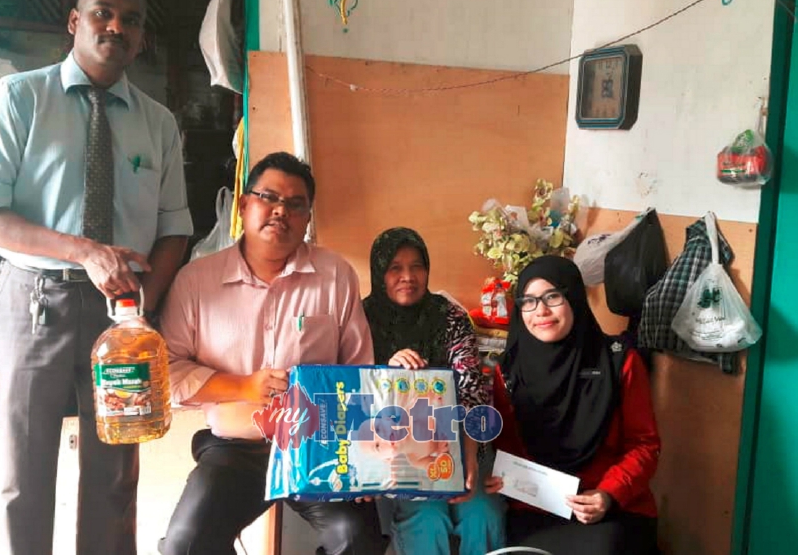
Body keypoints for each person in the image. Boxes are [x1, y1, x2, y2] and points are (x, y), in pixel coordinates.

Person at [0, 0, 192, 555]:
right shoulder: (19, 98)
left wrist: (144, 310)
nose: (116, 27)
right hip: (36, 300)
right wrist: (83, 250)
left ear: (140, 38)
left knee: (116, 470)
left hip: (124, 317)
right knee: (27, 468)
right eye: (102, 14)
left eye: (130, 20)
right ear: (74, 22)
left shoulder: (158, 123)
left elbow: (174, 227)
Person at [157, 152, 385, 555]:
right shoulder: (196, 282)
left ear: (307, 218)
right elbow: (169, 373)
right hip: (235, 448)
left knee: (355, 537)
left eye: (296, 204)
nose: (281, 211)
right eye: (269, 197)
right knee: (185, 544)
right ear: (244, 205)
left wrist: (364, 462)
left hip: (317, 446)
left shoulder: (335, 276)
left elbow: (359, 372)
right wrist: (244, 386)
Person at [484, 255, 661, 555]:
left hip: (613, 504)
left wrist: (607, 494)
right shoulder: (509, 371)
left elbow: (644, 445)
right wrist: (504, 479)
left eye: (552, 297)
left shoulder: (619, 362)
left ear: (574, 298)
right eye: (528, 301)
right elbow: (508, 448)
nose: (540, 311)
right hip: (537, 505)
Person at [362, 227, 506, 555]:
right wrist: (389, 372)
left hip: (461, 440)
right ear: (379, 272)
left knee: (482, 514)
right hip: (399, 450)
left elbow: (471, 388)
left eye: (417, 266)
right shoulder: (363, 319)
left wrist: (469, 459)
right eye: (395, 267)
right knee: (427, 519)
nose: (408, 276)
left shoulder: (449, 316)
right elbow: (355, 392)